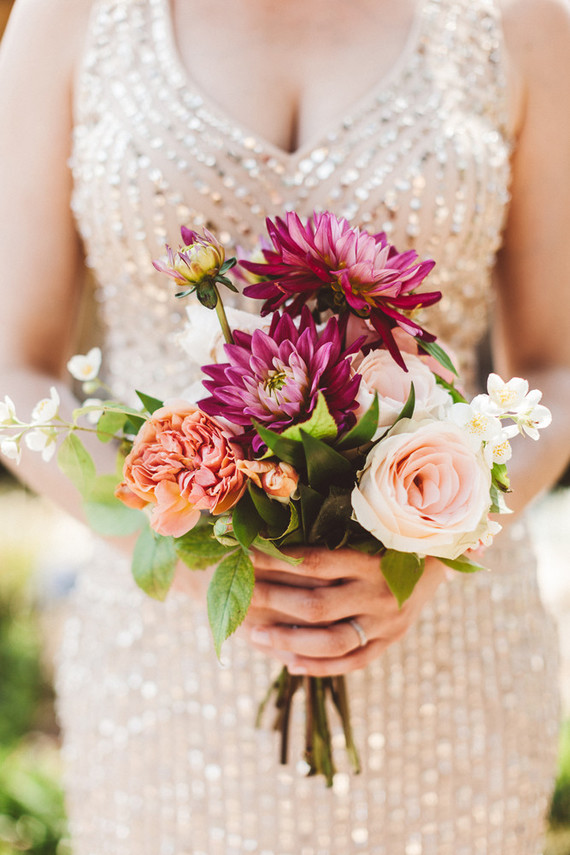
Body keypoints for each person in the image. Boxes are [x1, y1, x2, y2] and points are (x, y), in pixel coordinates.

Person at [1, 0, 569, 851]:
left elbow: (556, 369)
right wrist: (179, 544)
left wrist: (440, 538)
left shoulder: (519, 18)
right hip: (170, 660)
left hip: (445, 640)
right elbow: (13, 373)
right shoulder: (70, 17)